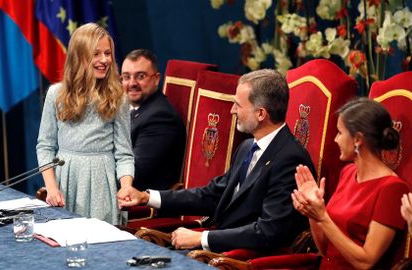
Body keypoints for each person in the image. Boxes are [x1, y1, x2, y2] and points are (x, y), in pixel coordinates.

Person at [117, 69, 314, 253]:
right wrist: (145, 197)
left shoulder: (290, 160)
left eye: (238, 104)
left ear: (261, 113)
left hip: (240, 259)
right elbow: (212, 195)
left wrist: (203, 238)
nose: (232, 111)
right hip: (218, 249)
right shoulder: (247, 147)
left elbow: (268, 232)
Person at [292, 98, 409, 269]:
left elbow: (366, 261)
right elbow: (325, 249)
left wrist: (323, 217)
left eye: (339, 132)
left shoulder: (393, 189)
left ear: (357, 139)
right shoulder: (347, 172)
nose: (335, 139)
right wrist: (312, 212)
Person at [36, 23, 134, 224]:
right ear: (79, 56)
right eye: (96, 54)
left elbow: (124, 153)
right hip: (67, 183)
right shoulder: (56, 94)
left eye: (108, 53)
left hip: (102, 186)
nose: (105, 60)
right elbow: (45, 146)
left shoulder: (118, 97)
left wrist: (125, 186)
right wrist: (52, 188)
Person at [121, 49, 186, 190]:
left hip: (139, 203)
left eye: (140, 76)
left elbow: (134, 173)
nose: (132, 83)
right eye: (126, 77)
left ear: (156, 79)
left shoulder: (160, 118)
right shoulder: (128, 107)